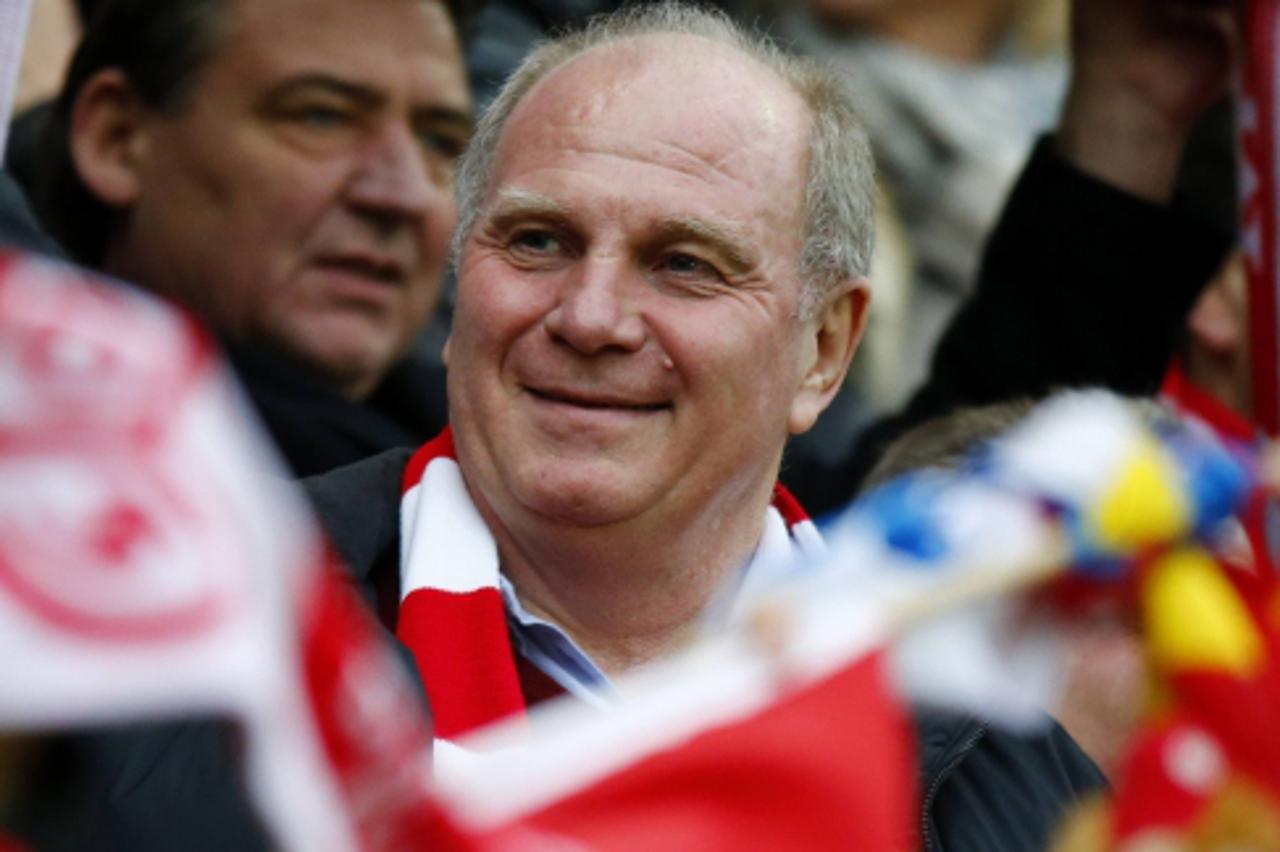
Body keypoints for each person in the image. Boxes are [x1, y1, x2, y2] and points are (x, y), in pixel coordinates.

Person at [307, 4, 1117, 848]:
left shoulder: (1023, 778)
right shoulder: (241, 621)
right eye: (539, 241)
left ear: (823, 350)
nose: (590, 318)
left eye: (684, 264)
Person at [29, 0, 472, 475]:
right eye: (322, 116)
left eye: (439, 142)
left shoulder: (481, 460)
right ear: (117, 139)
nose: (405, 195)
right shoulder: (42, 474)